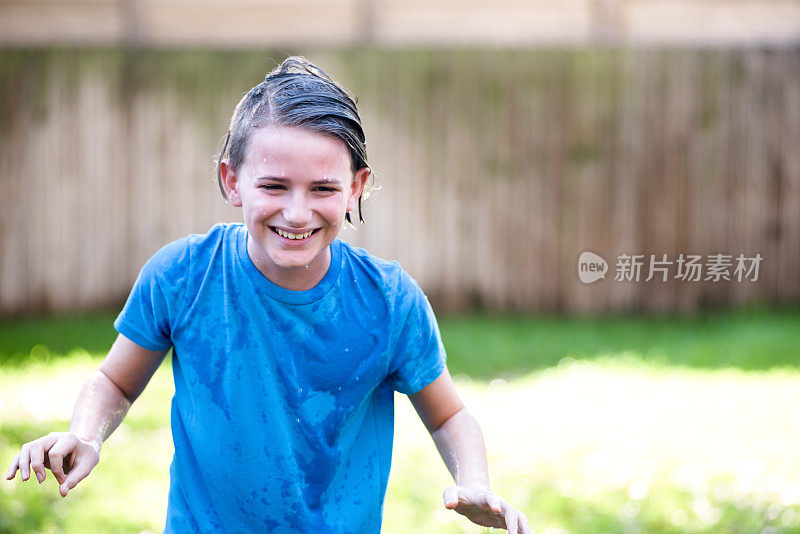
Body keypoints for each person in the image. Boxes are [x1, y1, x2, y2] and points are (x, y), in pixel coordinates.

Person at [6, 56, 531, 534]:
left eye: (323, 189)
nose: (297, 213)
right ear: (232, 180)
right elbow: (114, 384)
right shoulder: (182, 278)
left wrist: (475, 480)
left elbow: (447, 415)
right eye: (275, 186)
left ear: (357, 187)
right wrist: (87, 433)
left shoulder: (389, 301)